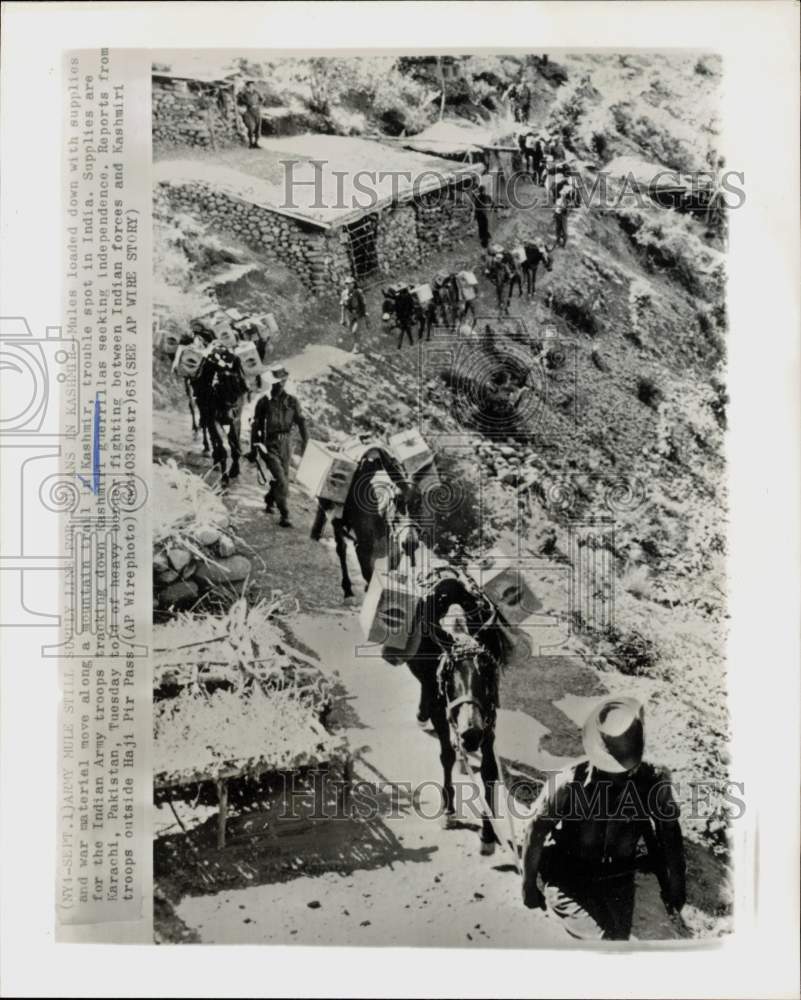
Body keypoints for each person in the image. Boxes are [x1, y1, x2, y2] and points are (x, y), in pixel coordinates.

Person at [521, 697, 686, 941]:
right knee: (601, 941)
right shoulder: (568, 783)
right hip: (569, 876)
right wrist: (528, 885)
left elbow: (670, 833)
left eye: (626, 767)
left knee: (618, 939)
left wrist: (677, 886)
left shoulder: (653, 781)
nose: (620, 775)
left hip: (618, 878)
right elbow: (535, 830)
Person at [249, 365, 308, 528]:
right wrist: (253, 449)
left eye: (282, 380)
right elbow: (256, 426)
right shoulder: (263, 401)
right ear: (271, 382)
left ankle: (269, 499)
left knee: (280, 478)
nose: (280, 383)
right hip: (269, 445)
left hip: (287, 445)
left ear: (286, 380)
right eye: (276, 380)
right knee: (282, 480)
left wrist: (306, 446)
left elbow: (302, 424)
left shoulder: (292, 401)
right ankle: (285, 514)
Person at [192, 340, 249, 484]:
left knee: (222, 436)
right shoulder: (229, 360)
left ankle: (228, 465)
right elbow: (244, 385)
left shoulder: (212, 360)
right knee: (230, 435)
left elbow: (198, 383)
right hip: (226, 405)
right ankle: (229, 464)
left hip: (222, 404)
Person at [340, 276, 368, 353]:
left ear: (353, 284)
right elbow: (343, 306)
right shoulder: (343, 293)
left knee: (355, 331)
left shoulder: (358, 292)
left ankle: (356, 347)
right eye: (346, 284)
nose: (348, 285)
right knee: (352, 331)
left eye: (350, 284)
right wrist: (342, 318)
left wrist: (365, 314)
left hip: (359, 314)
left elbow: (363, 304)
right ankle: (358, 345)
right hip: (350, 315)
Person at [237, 80, 263, 149]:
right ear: (247, 87)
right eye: (250, 86)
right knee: (251, 127)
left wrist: (258, 105)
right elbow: (240, 100)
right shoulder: (245, 94)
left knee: (258, 128)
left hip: (257, 112)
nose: (252, 87)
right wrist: (247, 104)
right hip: (249, 112)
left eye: (253, 86)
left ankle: (256, 143)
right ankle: (251, 143)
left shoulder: (257, 93)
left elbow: (262, 99)